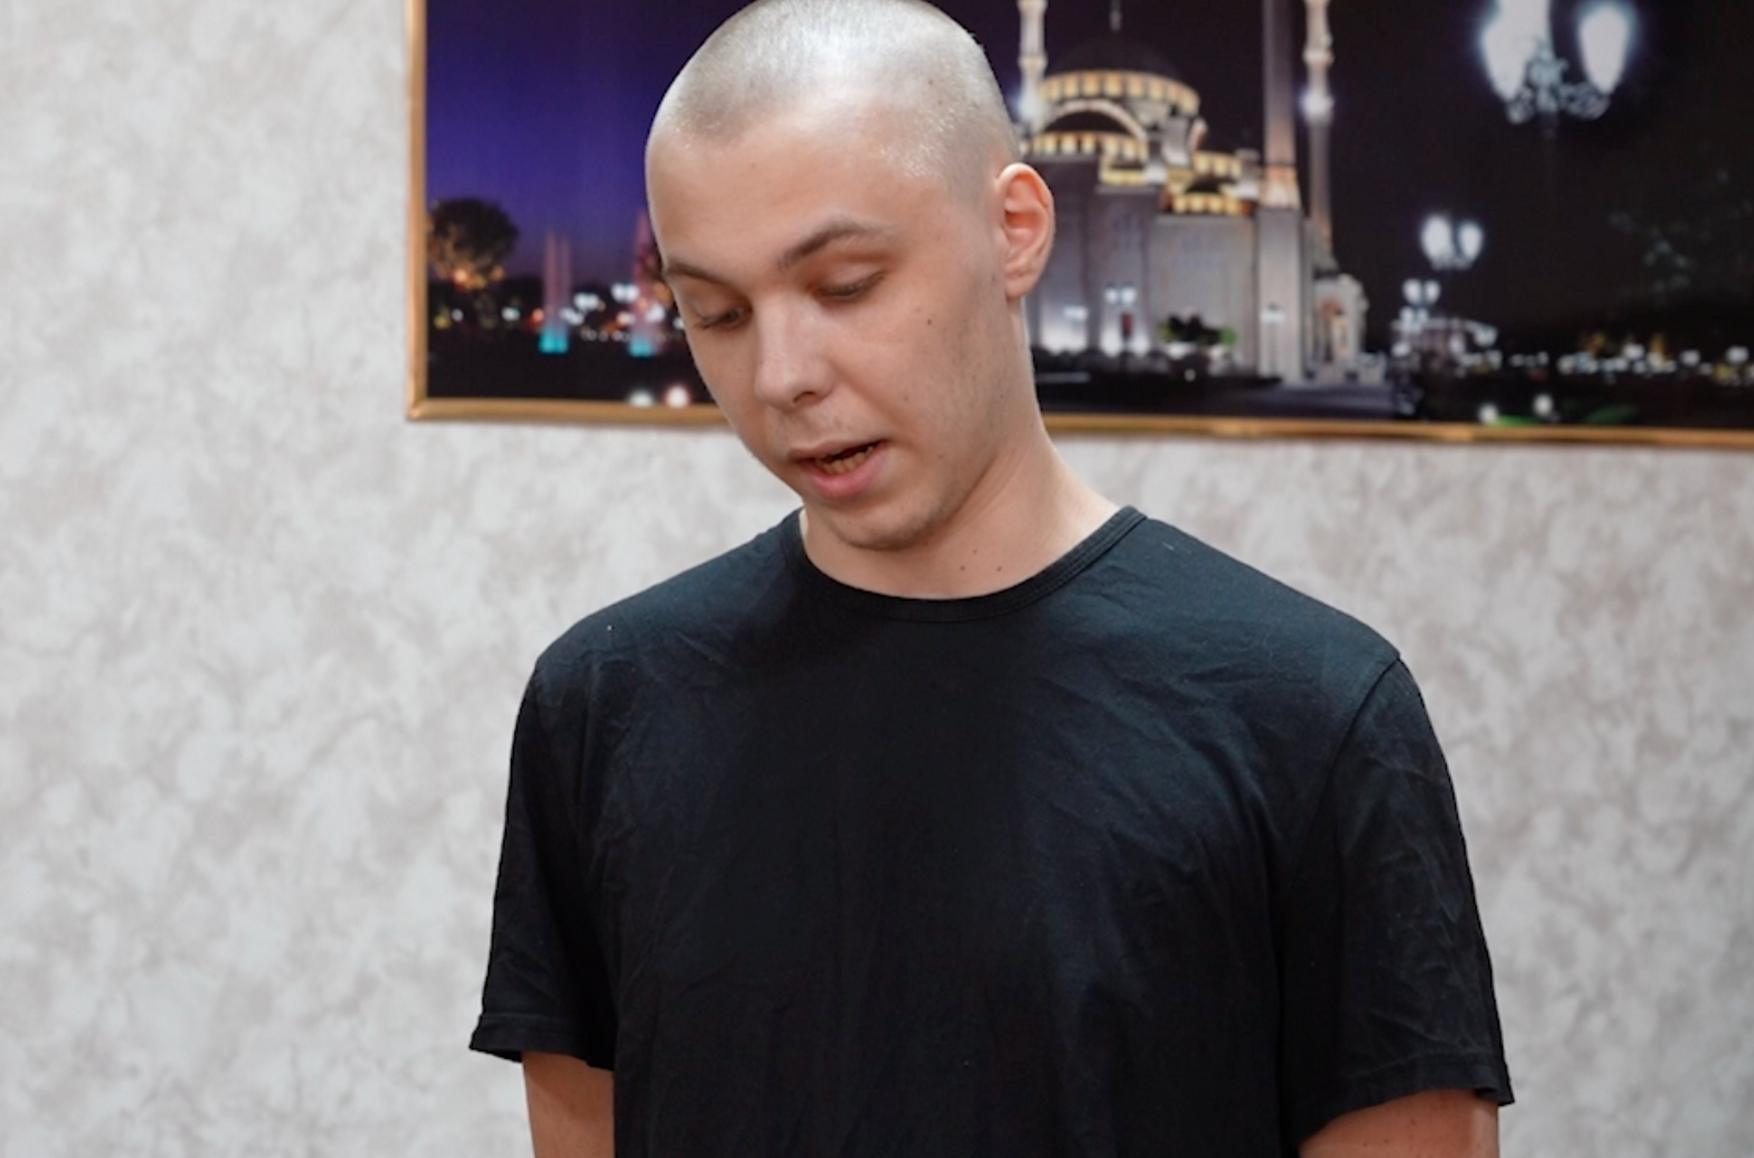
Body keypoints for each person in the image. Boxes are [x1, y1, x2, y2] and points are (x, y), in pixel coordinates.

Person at [469, 0, 1513, 1154]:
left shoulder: (1312, 718)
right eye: (714, 312)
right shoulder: (604, 708)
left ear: (1014, 229)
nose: (779, 377)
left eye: (845, 284)